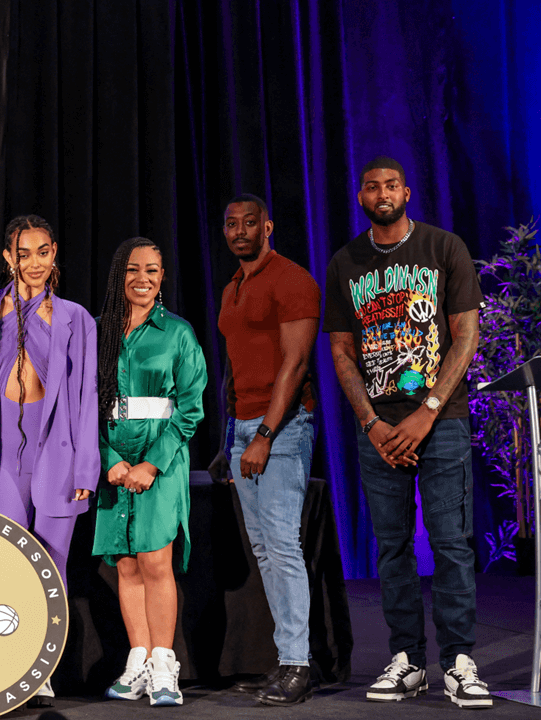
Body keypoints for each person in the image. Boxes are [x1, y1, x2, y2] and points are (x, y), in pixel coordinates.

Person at [325, 156, 490, 708]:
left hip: (441, 422)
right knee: (392, 547)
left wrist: (428, 409)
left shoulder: (444, 247)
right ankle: (408, 660)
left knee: (450, 543)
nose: (382, 193)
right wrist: (371, 422)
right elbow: (342, 351)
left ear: (407, 192)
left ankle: (459, 662)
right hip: (379, 428)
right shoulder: (345, 262)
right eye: (372, 187)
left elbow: (465, 335)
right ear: (361, 197)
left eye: (391, 185)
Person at [0, 214, 98, 705]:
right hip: (1, 453)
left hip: (57, 450)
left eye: (43, 252)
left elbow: (86, 394)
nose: (35, 263)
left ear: (54, 252)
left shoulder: (75, 318)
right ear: (8, 257)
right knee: (3, 559)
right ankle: (7, 660)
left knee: (51, 564)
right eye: (24, 254)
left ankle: (39, 667)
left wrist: (87, 467)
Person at [205, 194, 319, 705]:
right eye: (231, 224)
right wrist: (228, 438)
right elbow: (234, 369)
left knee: (283, 545)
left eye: (249, 223)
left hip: (284, 428)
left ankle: (298, 665)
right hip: (244, 429)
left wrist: (265, 436)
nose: (240, 231)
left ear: (267, 227)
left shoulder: (292, 280)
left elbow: (295, 365)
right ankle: (287, 659)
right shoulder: (233, 287)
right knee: (266, 551)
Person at [92, 237, 206, 707]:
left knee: (156, 561)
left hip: (160, 461)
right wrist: (108, 459)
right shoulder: (97, 331)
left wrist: (151, 463)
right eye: (133, 269)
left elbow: (191, 409)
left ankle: (164, 664)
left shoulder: (177, 333)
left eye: (152, 270)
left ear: (162, 278)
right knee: (125, 563)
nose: (143, 278)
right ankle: (138, 660)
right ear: (119, 274)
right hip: (114, 462)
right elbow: (83, 407)